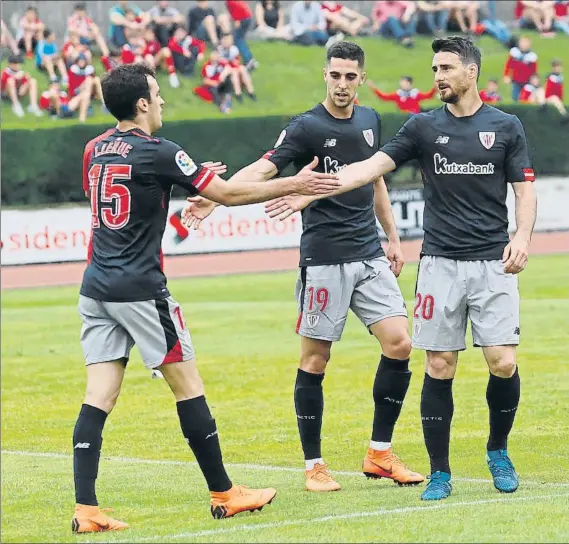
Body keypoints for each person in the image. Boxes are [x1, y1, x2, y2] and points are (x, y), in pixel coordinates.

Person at [265, 36, 537, 502]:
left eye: (446, 68)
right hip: (438, 264)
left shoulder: (506, 126)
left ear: (471, 72)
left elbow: (525, 192)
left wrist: (522, 237)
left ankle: (498, 449)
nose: (438, 76)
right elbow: (366, 169)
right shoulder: (422, 127)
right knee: (438, 363)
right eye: (435, 68)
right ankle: (440, 472)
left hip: (492, 262)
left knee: (503, 362)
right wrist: (309, 188)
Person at [71, 62, 339, 533]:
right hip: (140, 289)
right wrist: (297, 182)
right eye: (157, 94)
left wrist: (188, 176)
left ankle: (86, 509)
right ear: (141, 104)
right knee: (188, 386)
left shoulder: (95, 149)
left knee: (99, 396)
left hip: (96, 287)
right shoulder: (160, 150)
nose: (162, 101)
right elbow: (229, 194)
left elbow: (129, 192)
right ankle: (225, 493)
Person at [182, 41, 425, 492]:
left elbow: (375, 180)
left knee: (400, 344)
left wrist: (391, 236)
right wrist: (216, 197)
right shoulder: (306, 127)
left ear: (361, 80)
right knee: (316, 359)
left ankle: (379, 452)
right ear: (325, 75)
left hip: (369, 252)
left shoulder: (371, 120)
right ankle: (314, 464)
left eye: (351, 76)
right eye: (335, 75)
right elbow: (266, 167)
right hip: (325, 259)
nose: (342, 84)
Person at [368, 76, 436, 115]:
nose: (402, 84)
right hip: (403, 118)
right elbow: (384, 97)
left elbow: (429, 96)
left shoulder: (415, 93)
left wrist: (435, 87)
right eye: (402, 82)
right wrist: (374, 89)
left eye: (405, 82)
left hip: (414, 117)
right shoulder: (398, 94)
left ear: (410, 83)